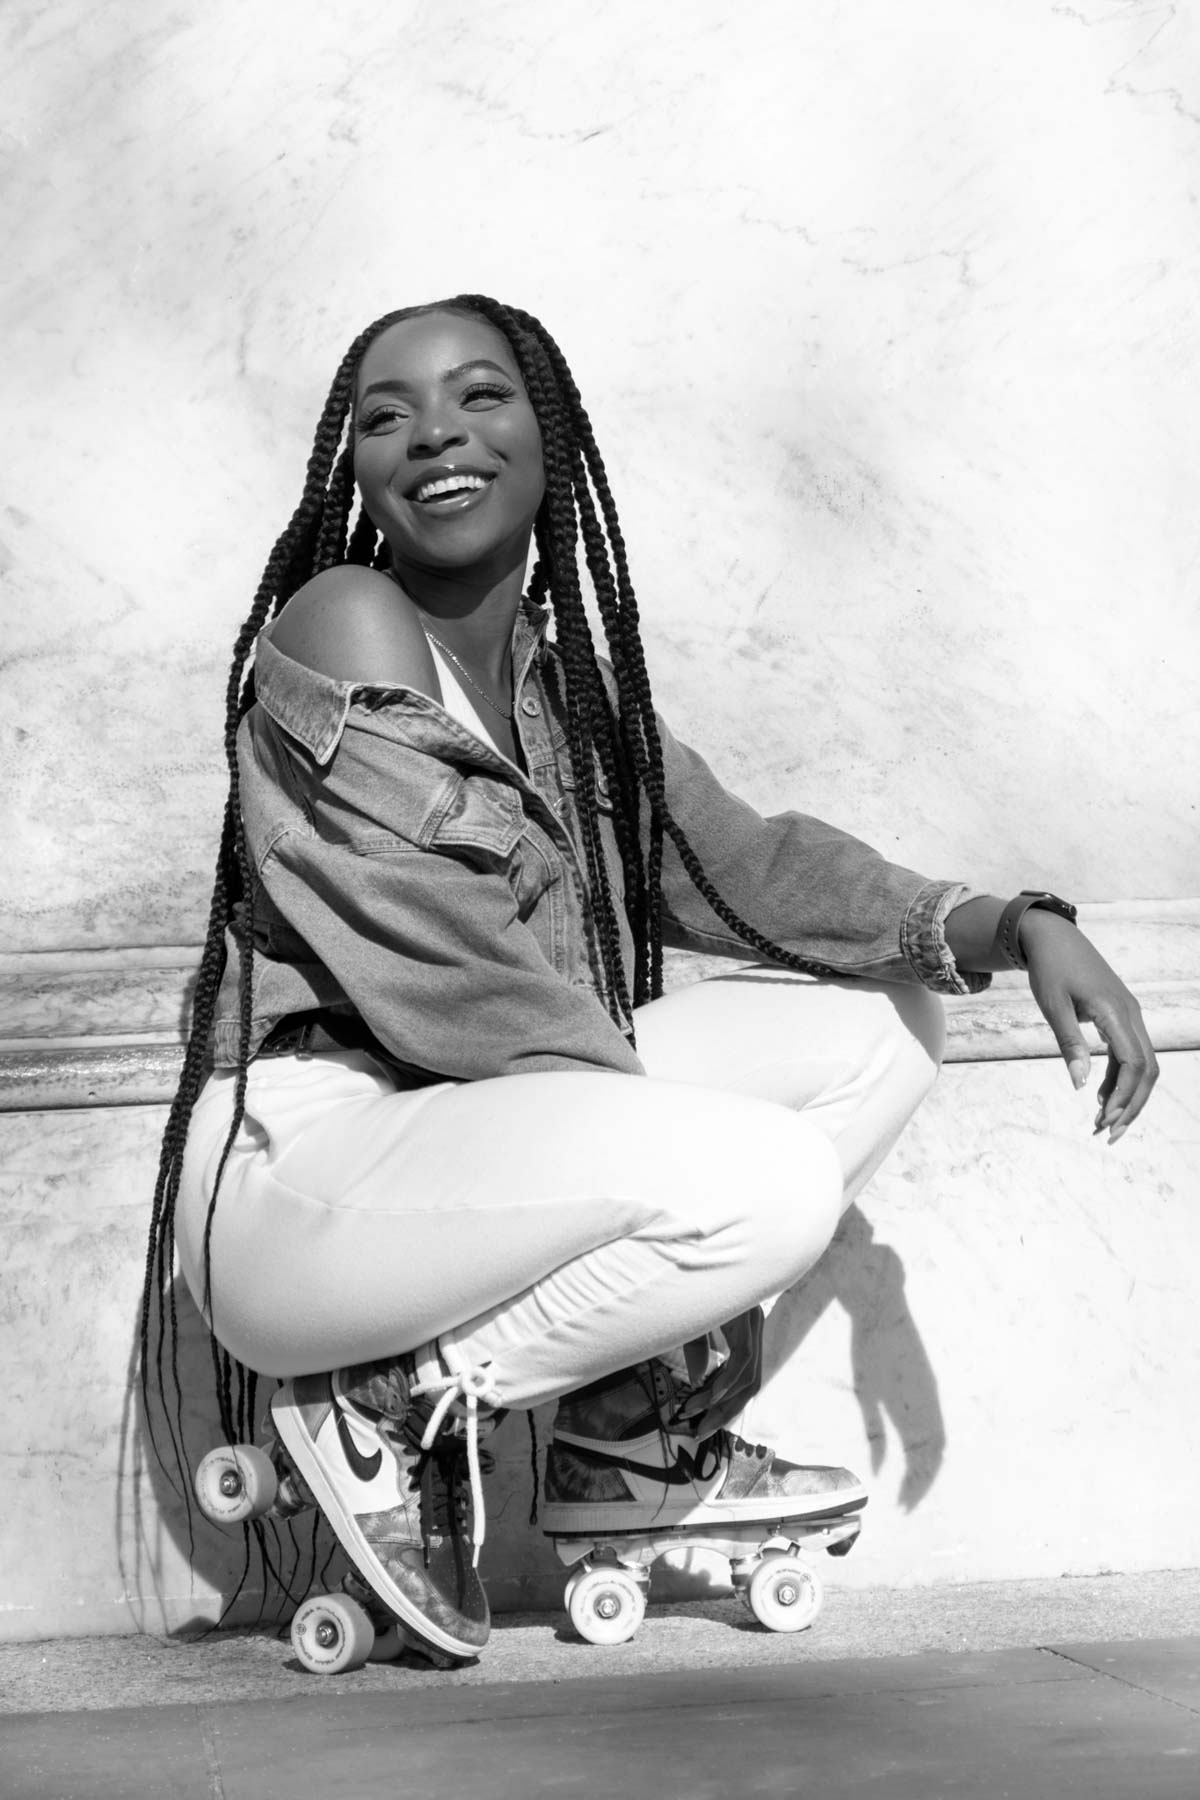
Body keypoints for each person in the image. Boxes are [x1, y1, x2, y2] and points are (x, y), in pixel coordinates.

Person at [142, 295, 1158, 1664]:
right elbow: (460, 986)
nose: (433, 432)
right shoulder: (350, 620)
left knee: (882, 1029)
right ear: (359, 466)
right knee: (767, 1181)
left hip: (460, 1136)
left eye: (478, 395)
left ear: (550, 435)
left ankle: (622, 1449)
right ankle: (390, 1396)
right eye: (387, 415)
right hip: (307, 1173)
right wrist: (694, 1175)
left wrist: (1013, 923)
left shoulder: (570, 701)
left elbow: (755, 873)